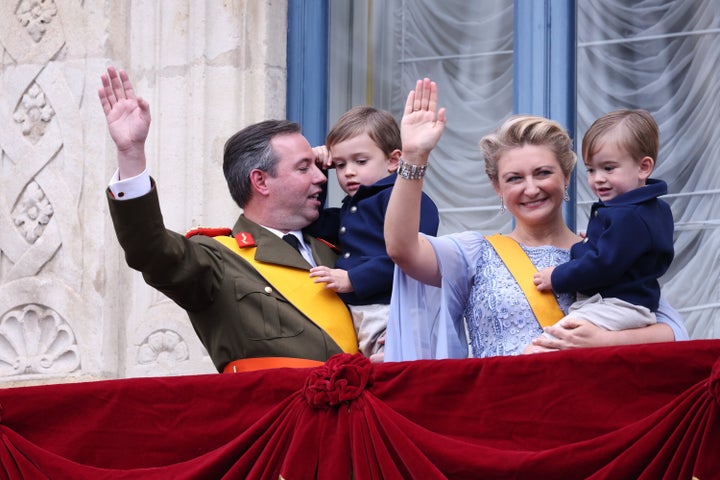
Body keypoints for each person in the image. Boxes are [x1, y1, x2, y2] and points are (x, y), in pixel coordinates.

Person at [383, 78, 688, 361]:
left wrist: (599, 341)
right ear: (496, 186)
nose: (531, 188)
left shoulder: (604, 247)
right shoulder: (475, 254)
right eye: (514, 178)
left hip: (591, 410)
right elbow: (402, 248)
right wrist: (414, 156)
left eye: (543, 173)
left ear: (566, 176)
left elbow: (671, 331)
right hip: (503, 408)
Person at [98, 66, 358, 373]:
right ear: (261, 182)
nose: (321, 178)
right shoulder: (220, 258)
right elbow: (150, 249)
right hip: (280, 413)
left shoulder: (342, 245)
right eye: (304, 168)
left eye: (319, 166)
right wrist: (131, 155)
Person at [307, 106, 440, 361]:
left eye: (360, 161)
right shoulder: (352, 207)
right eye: (339, 164)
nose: (348, 172)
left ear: (393, 161)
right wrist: (318, 169)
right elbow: (315, 222)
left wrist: (353, 279)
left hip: (393, 308)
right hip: (358, 312)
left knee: (394, 367)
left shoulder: (405, 200)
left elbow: (411, 256)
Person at [533, 109, 673, 336]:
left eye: (609, 168)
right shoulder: (649, 208)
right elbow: (624, 253)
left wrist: (557, 276)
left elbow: (603, 265)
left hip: (619, 305)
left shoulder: (628, 215)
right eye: (590, 169)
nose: (598, 178)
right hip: (630, 304)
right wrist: (592, 242)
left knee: (554, 339)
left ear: (643, 167)